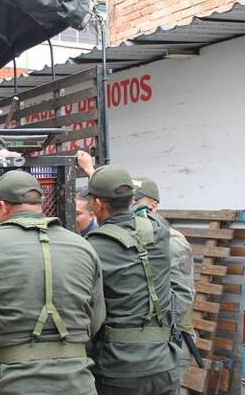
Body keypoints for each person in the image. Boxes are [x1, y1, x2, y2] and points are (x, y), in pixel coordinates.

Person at [0, 170, 105, 395]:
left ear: (3, 206)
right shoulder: (83, 246)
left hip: (9, 382)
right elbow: (95, 320)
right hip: (77, 381)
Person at [83, 165, 178, 395]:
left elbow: (90, 317)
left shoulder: (93, 248)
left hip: (119, 368)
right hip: (163, 364)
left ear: (98, 203)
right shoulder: (159, 231)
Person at [133, 177, 195, 391]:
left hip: (169, 342)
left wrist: (149, 328)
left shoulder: (171, 240)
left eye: (136, 202)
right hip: (142, 344)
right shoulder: (131, 237)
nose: (131, 208)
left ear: (153, 205)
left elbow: (182, 296)